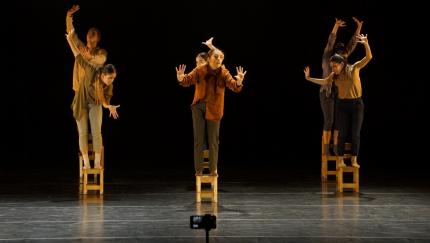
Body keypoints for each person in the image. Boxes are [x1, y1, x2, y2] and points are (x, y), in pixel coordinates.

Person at [175, 40, 247, 176]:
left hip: (214, 109)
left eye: (221, 57)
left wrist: (238, 82)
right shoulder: (200, 70)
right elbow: (187, 80)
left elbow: (234, 86)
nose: (219, 59)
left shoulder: (224, 72)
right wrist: (180, 78)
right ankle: (199, 169)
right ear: (209, 59)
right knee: (199, 139)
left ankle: (213, 169)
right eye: (216, 57)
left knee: (213, 140)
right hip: (198, 107)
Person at [66, 28, 120, 169]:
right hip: (81, 101)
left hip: (94, 103)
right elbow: (77, 55)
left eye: (113, 78)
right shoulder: (91, 69)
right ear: (103, 75)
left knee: (97, 132)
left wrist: (109, 106)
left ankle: (96, 162)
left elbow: (105, 100)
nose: (111, 81)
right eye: (110, 78)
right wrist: (69, 39)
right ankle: (86, 163)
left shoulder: (109, 85)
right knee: (83, 133)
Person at [318, 17, 363, 156]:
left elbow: (352, 44)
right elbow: (330, 42)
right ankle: (326, 150)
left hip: (339, 92)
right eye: (341, 56)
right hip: (326, 92)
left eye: (344, 57)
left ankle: (337, 150)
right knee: (329, 120)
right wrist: (336, 26)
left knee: (339, 123)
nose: (343, 59)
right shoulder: (328, 57)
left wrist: (359, 28)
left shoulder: (343, 58)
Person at [330, 34, 372, 168]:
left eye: (335, 65)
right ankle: (340, 160)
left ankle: (354, 160)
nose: (333, 68)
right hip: (342, 105)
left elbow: (369, 57)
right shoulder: (335, 75)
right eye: (332, 66)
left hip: (356, 104)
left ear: (342, 63)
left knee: (355, 134)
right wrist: (309, 78)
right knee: (342, 133)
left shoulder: (354, 68)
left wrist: (365, 43)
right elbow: (324, 81)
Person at [66, 5, 108, 92]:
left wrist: (90, 57)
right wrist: (69, 16)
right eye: (89, 32)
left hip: (93, 92)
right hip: (79, 91)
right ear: (86, 36)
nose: (91, 33)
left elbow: (101, 59)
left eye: (94, 32)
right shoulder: (81, 48)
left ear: (98, 39)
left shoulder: (101, 52)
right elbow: (71, 34)